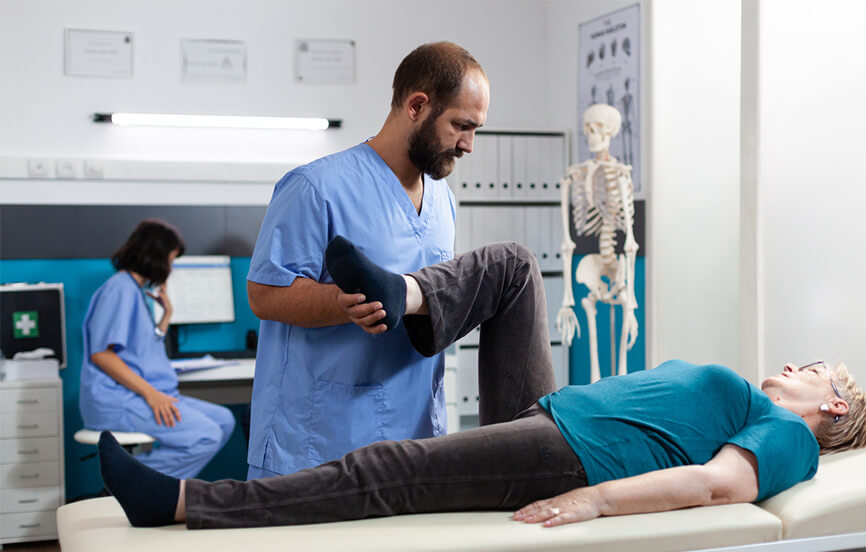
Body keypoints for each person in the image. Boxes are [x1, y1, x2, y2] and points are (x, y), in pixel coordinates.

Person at [98, 237, 866, 529]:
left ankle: (184, 502)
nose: (792, 367)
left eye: (811, 371)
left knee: (387, 469)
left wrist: (596, 501)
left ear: (832, 404)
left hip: (570, 457)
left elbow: (718, 485)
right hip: (551, 417)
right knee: (513, 268)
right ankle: (400, 294)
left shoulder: (789, 436)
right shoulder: (762, 408)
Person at [244, 42, 490, 478]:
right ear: (417, 106)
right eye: (460, 126)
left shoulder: (443, 201)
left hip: (414, 440)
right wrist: (341, 304)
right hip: (318, 442)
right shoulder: (315, 188)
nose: (468, 145)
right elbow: (264, 295)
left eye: (476, 130)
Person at [80, 219, 236, 480]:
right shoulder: (120, 289)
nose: (171, 269)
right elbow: (102, 355)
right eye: (171, 260)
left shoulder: (135, 291)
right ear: (156, 257)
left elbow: (140, 348)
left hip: (142, 394)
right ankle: (131, 484)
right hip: (118, 400)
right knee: (206, 436)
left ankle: (141, 484)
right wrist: (152, 395)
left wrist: (166, 316)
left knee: (224, 420)